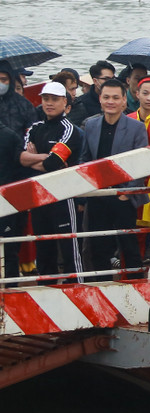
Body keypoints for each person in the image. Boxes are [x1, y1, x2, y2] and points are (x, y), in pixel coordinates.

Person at [79, 77, 149, 274]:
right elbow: (85, 159)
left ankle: (136, 283)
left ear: (124, 101)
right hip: (97, 195)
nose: (111, 101)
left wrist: (127, 193)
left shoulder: (136, 127)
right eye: (106, 97)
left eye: (116, 97)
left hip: (123, 196)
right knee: (98, 245)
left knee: (129, 244)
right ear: (100, 99)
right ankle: (103, 285)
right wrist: (86, 194)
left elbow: (141, 164)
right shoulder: (91, 125)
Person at [20, 83, 83, 281]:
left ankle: (77, 288)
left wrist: (35, 158)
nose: (49, 103)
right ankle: (47, 288)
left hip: (64, 198)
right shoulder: (35, 128)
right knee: (43, 248)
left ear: (65, 102)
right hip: (39, 196)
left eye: (54, 99)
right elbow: (22, 160)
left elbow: (53, 164)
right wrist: (45, 158)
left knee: (69, 248)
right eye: (46, 99)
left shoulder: (69, 129)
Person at [0, 120, 25, 279]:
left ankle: (11, 291)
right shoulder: (12, 136)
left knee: (9, 249)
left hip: (8, 202)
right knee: (9, 249)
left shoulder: (10, 137)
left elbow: (20, 170)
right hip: (9, 201)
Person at [0, 61, 38, 138]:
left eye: (4, 80)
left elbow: (33, 130)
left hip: (18, 147)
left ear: (10, 81)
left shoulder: (23, 104)